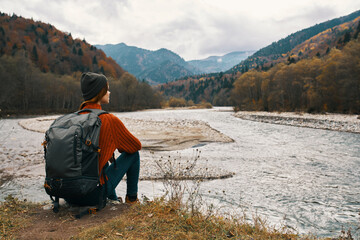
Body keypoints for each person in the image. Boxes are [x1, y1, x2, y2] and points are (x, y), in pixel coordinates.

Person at [79, 72, 141, 204]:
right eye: (107, 89)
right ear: (99, 92)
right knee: (134, 155)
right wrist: (116, 146)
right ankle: (132, 199)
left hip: (68, 192)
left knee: (100, 160)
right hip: (92, 194)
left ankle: (112, 199)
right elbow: (135, 146)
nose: (109, 92)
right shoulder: (108, 119)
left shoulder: (74, 119)